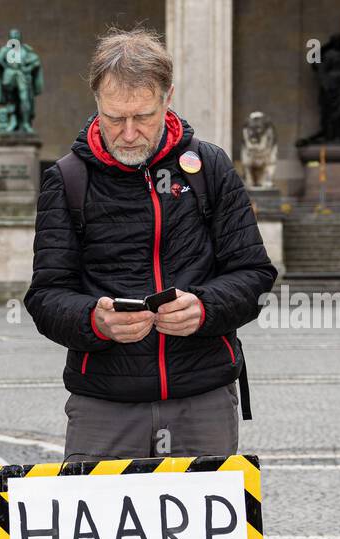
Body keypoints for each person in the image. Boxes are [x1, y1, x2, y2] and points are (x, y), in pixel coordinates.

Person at [24, 27, 276, 462]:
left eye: (142, 116)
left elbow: (254, 275)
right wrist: (93, 320)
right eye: (114, 117)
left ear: (167, 97)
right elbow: (45, 296)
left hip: (203, 397)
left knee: (205, 533)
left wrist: (205, 308)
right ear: (96, 102)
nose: (127, 133)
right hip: (103, 403)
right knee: (102, 529)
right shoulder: (66, 180)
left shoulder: (208, 167)